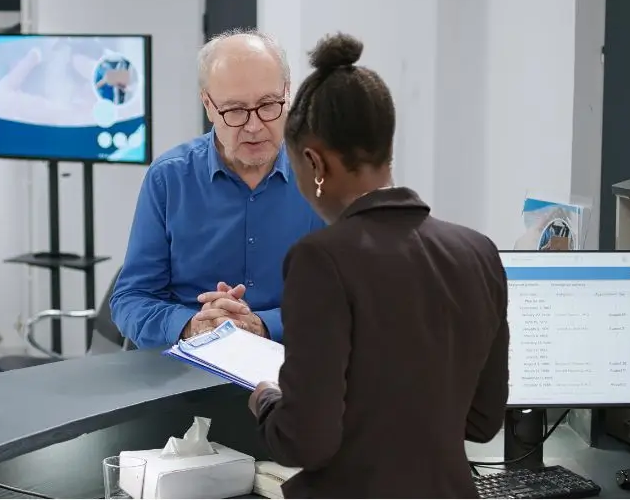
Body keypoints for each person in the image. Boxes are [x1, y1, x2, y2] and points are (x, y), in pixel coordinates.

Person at [248, 33, 509, 498]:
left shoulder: (321, 260)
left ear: (314, 162)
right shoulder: (479, 252)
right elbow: (482, 421)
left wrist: (268, 401)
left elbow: (306, 441)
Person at [110, 30, 325, 349]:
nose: (254, 126)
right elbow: (131, 299)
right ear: (208, 105)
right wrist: (191, 325)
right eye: (235, 110)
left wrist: (263, 325)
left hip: (294, 365)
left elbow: (347, 296)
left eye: (268, 105)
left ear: (287, 92)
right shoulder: (169, 178)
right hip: (187, 367)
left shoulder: (324, 176)